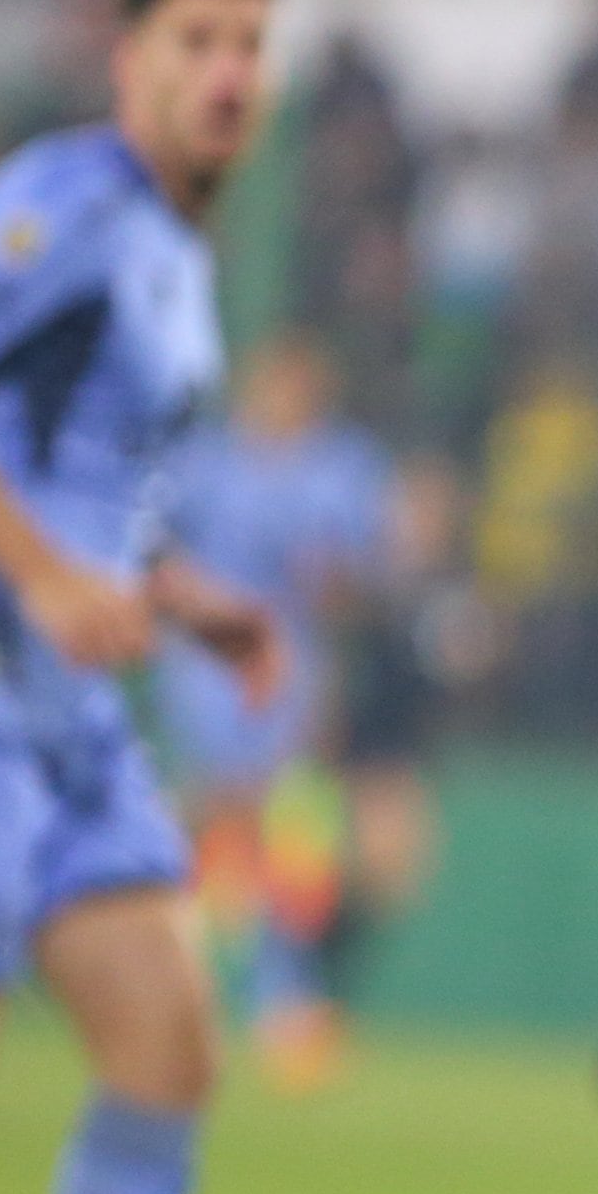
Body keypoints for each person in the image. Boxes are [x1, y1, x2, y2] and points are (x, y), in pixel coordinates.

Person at [0, 0, 288, 1194]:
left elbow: (78, 467)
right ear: (130, 59)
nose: (229, 73)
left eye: (249, 45)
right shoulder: (62, 203)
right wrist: (31, 574)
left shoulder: (174, 242)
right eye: (198, 41)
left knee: (166, 1041)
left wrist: (180, 587)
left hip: (74, 703)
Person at [153, 330, 400, 1087]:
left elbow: (364, 579)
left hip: (295, 658)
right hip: (206, 658)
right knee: (222, 809)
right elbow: (152, 547)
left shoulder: (344, 468)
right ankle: (192, 980)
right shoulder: (206, 462)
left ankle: (282, 995)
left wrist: (339, 589)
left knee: (293, 820)